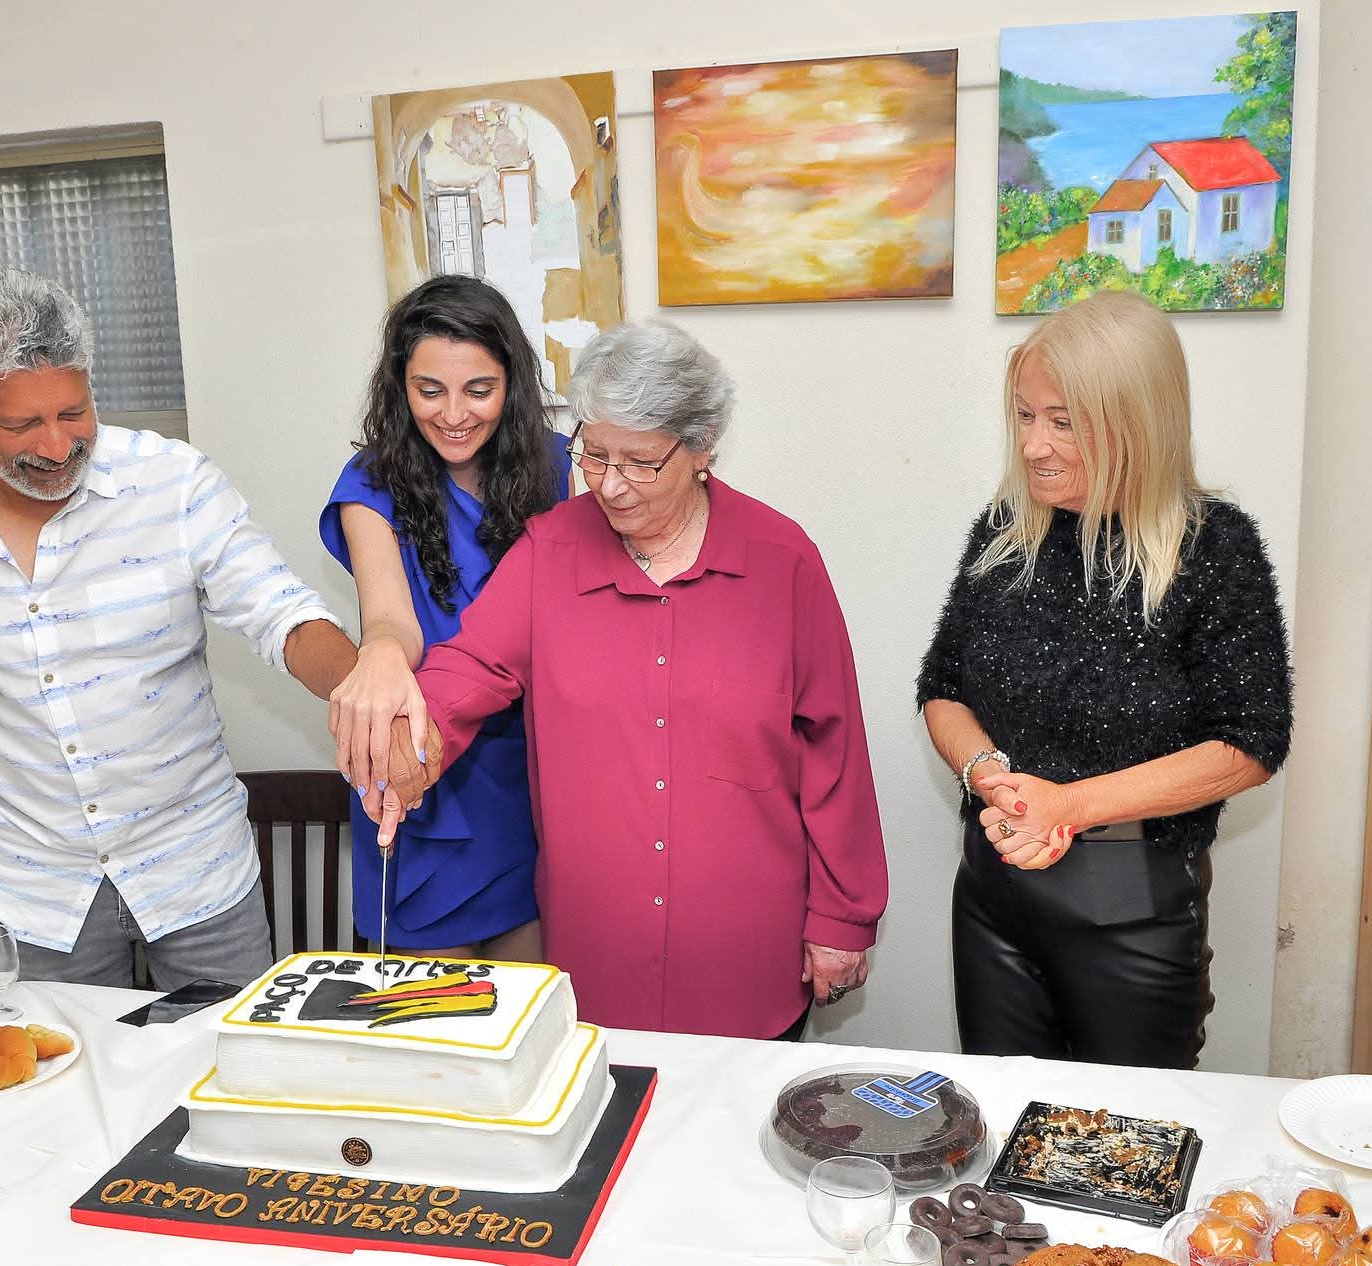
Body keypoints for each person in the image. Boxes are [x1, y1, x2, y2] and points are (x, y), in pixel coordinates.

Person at [0, 266, 364, 989]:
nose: (56, 445)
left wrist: (367, 693)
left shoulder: (171, 482)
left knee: (225, 1057)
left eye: (74, 412)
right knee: (58, 1065)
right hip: (35, 891)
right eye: (21, 425)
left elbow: (282, 613)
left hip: (196, 869)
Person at [371, 319, 888, 1041]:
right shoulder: (549, 551)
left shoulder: (783, 561)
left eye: (640, 462)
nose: (610, 485)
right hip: (597, 963)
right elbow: (470, 669)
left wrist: (843, 917)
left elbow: (836, 749)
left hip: (747, 964)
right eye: (594, 454)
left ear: (702, 448)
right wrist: (401, 736)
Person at [915, 290, 1291, 1068]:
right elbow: (944, 688)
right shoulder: (1006, 534)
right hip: (994, 896)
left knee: (1120, 1127)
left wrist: (1069, 806)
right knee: (999, 1110)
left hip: (1133, 906)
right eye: (1026, 416)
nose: (1034, 446)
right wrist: (988, 774)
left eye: (1064, 422)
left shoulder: (1213, 549)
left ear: (1136, 422)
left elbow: (1250, 745)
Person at [320, 275, 568, 958]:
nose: (454, 414)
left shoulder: (562, 468)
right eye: (430, 390)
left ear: (512, 384)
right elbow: (391, 620)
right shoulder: (370, 482)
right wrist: (378, 653)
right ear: (400, 387)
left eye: (478, 390)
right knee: (434, 1013)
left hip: (534, 778)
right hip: (425, 768)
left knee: (533, 1005)